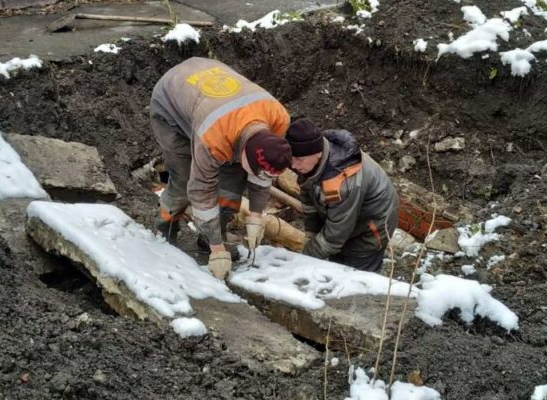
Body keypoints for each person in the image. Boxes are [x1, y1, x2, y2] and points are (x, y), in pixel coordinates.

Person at [150, 57, 291, 279]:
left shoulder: (278, 118)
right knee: (184, 180)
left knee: (233, 185)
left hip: (219, 108)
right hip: (171, 107)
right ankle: (164, 231)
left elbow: (263, 172)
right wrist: (219, 250)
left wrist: (256, 215)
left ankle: (210, 237)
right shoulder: (214, 139)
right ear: (244, 152)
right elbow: (201, 192)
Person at [285, 118, 399, 272]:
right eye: (291, 158)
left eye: (299, 159)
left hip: (372, 227)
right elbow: (308, 198)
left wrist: (304, 259)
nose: (294, 165)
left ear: (317, 153)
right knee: (333, 264)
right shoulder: (310, 162)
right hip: (345, 219)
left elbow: (334, 238)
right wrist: (311, 235)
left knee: (356, 279)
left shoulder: (343, 184)